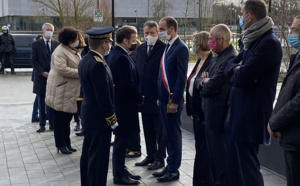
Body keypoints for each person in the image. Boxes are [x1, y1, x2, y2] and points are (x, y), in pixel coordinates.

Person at [223, 1, 282, 185]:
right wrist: (236, 70)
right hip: (238, 113)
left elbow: (243, 76)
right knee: (236, 164)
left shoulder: (268, 43)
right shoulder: (252, 40)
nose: (240, 18)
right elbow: (230, 64)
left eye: (242, 14)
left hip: (250, 115)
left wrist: (238, 72)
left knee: (248, 168)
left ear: (250, 16)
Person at [79, 26, 118, 186]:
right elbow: (103, 96)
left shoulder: (86, 59)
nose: (109, 45)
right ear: (103, 44)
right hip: (99, 118)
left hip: (89, 115)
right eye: (108, 42)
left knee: (88, 153)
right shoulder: (98, 65)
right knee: (98, 157)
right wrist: (111, 119)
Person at [200, 24, 237, 186]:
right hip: (211, 114)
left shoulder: (230, 57)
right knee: (212, 156)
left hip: (219, 116)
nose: (209, 42)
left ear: (220, 40)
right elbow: (204, 80)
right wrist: (204, 82)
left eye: (210, 39)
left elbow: (212, 85)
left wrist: (204, 83)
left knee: (221, 158)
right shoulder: (217, 57)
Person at [153, 16, 189, 182]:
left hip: (172, 101)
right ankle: (169, 165)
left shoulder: (180, 48)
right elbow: (163, 74)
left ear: (171, 29)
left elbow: (181, 78)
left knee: (174, 135)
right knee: (167, 134)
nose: (160, 32)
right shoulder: (169, 47)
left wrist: (174, 100)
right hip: (164, 99)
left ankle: (174, 169)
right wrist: (161, 97)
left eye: (161, 29)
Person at [108, 25, 143, 185]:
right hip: (124, 106)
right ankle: (118, 174)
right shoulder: (120, 56)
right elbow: (126, 84)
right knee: (121, 141)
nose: (135, 42)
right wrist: (139, 98)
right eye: (133, 39)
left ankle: (121, 169)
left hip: (124, 105)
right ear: (125, 40)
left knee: (122, 140)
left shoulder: (119, 53)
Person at [268, 15, 300, 186]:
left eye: (294, 30)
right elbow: (286, 94)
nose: (290, 33)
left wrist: (275, 122)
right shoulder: (297, 57)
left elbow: (297, 102)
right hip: (291, 138)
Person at [45, 27, 84, 154]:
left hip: (70, 89)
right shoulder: (60, 51)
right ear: (69, 40)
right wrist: (80, 73)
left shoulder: (72, 49)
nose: (78, 41)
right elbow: (62, 69)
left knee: (67, 119)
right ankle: (60, 144)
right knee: (60, 119)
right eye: (76, 39)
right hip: (62, 88)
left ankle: (67, 143)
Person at [135, 20, 166, 170]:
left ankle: (160, 157)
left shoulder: (164, 48)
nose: (149, 36)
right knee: (147, 128)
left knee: (159, 129)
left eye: (152, 33)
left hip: (158, 96)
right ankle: (150, 154)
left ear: (157, 33)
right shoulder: (140, 49)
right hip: (144, 96)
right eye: (146, 33)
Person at [186, 31, 213, 186]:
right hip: (196, 113)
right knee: (200, 147)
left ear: (199, 43)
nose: (192, 45)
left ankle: (205, 181)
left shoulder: (211, 61)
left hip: (204, 114)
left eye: (194, 42)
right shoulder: (199, 62)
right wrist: (190, 109)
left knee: (205, 149)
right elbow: (191, 83)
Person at [31, 23, 59, 132]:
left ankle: (52, 123)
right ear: (43, 31)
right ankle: (42, 124)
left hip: (53, 78)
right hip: (41, 78)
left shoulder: (57, 44)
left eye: (51, 30)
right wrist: (43, 72)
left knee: (51, 102)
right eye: (47, 29)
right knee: (41, 102)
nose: (49, 32)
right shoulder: (36, 44)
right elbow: (34, 61)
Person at [126, 39, 142, 158]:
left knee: (132, 122)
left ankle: (135, 147)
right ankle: (130, 145)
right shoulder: (128, 55)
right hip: (131, 95)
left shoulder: (134, 56)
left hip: (133, 94)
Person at [31, 34, 44, 123]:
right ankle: (35, 115)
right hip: (38, 76)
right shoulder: (36, 46)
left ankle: (37, 115)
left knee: (39, 98)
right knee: (38, 98)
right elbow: (34, 61)